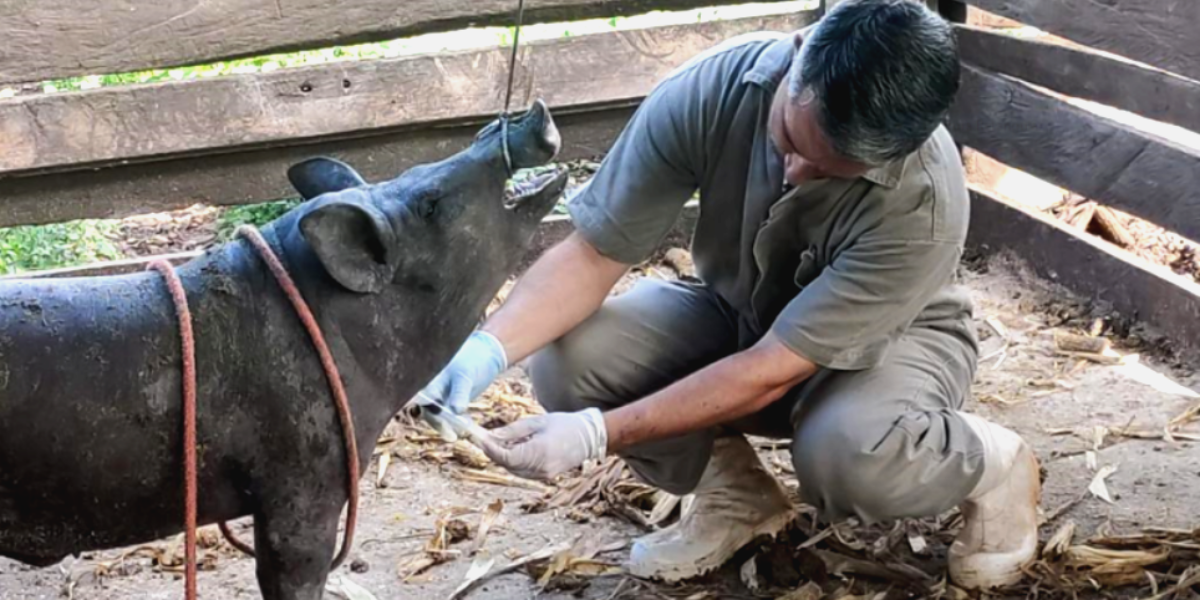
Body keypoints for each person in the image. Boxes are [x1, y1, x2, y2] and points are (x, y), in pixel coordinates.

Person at [413, 0, 1040, 590]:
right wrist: (485, 350)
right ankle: (735, 496)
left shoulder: (924, 203)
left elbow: (771, 371)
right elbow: (594, 253)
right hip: (739, 308)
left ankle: (993, 462)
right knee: (569, 357)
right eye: (790, 142)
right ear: (796, 57)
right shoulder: (714, 88)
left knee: (849, 456)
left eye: (828, 170)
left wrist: (596, 435)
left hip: (891, 346)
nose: (795, 172)